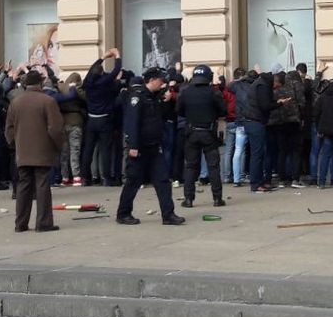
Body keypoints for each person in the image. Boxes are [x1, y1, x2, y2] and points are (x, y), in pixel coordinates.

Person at [118, 69, 185, 225]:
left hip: (154, 147)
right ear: (152, 80)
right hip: (139, 148)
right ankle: (123, 213)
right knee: (133, 181)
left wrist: (165, 100)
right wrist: (133, 145)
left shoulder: (154, 97)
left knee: (163, 181)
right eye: (160, 81)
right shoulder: (137, 97)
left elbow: (160, 118)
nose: (162, 84)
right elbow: (132, 122)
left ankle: (168, 214)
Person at [6, 69, 65, 233]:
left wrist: (14, 145)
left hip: (22, 151)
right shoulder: (48, 101)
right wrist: (59, 145)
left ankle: (20, 223)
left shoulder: (15, 102)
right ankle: (43, 223)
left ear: (25, 84)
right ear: (40, 83)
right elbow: (55, 128)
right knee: (42, 185)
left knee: (23, 186)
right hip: (43, 150)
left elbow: (9, 128)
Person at [178, 64, 227, 208]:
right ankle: (217, 199)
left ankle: (188, 199)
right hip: (208, 133)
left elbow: (179, 111)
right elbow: (223, 111)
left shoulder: (185, 92)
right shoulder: (214, 92)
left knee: (190, 167)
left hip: (191, 132)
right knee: (213, 167)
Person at [80, 49, 124, 185]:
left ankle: (84, 177)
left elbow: (91, 70)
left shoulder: (88, 83)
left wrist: (103, 57)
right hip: (104, 119)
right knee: (106, 150)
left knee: (88, 149)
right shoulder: (104, 82)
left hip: (91, 119)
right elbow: (116, 71)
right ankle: (106, 178)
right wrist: (117, 56)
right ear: (101, 73)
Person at [237, 68, 273, 192]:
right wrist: (278, 103)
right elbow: (265, 106)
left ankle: (258, 182)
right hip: (255, 122)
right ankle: (256, 183)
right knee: (257, 154)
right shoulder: (262, 86)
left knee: (255, 153)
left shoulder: (256, 85)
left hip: (249, 121)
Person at [269, 71, 302, 188]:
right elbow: (301, 103)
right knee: (296, 151)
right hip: (293, 122)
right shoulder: (294, 89)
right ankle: (295, 179)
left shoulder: (274, 91)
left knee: (282, 151)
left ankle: (282, 180)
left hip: (280, 123)